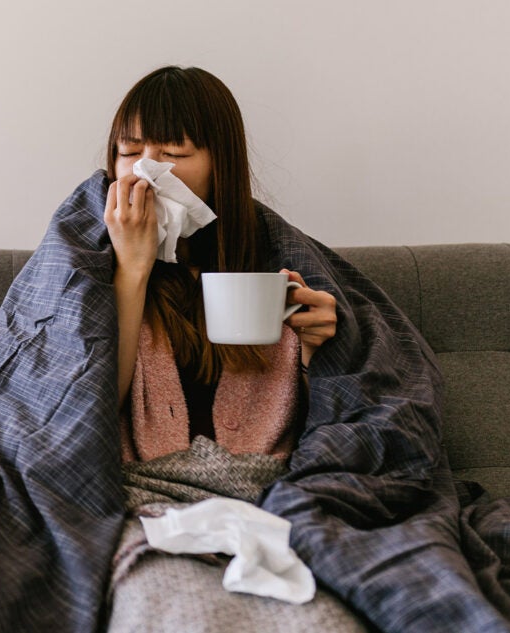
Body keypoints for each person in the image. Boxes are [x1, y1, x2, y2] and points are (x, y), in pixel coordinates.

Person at [100, 65, 338, 455]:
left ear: (220, 163)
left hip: (268, 488)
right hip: (146, 491)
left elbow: (330, 427)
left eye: (173, 151)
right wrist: (132, 268)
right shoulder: (88, 265)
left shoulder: (276, 259)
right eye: (129, 152)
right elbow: (84, 413)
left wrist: (316, 350)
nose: (144, 170)